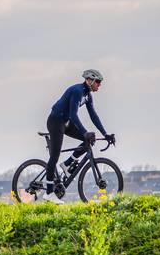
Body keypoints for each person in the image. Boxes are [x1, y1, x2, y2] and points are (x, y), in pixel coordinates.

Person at [44, 69, 115, 203]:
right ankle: (48, 193)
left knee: (89, 140)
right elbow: (73, 115)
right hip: (55, 121)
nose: (99, 85)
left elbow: (94, 116)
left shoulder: (88, 95)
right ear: (90, 80)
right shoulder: (77, 91)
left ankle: (66, 165)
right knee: (54, 155)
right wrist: (84, 132)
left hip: (66, 122)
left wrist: (105, 134)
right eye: (98, 82)